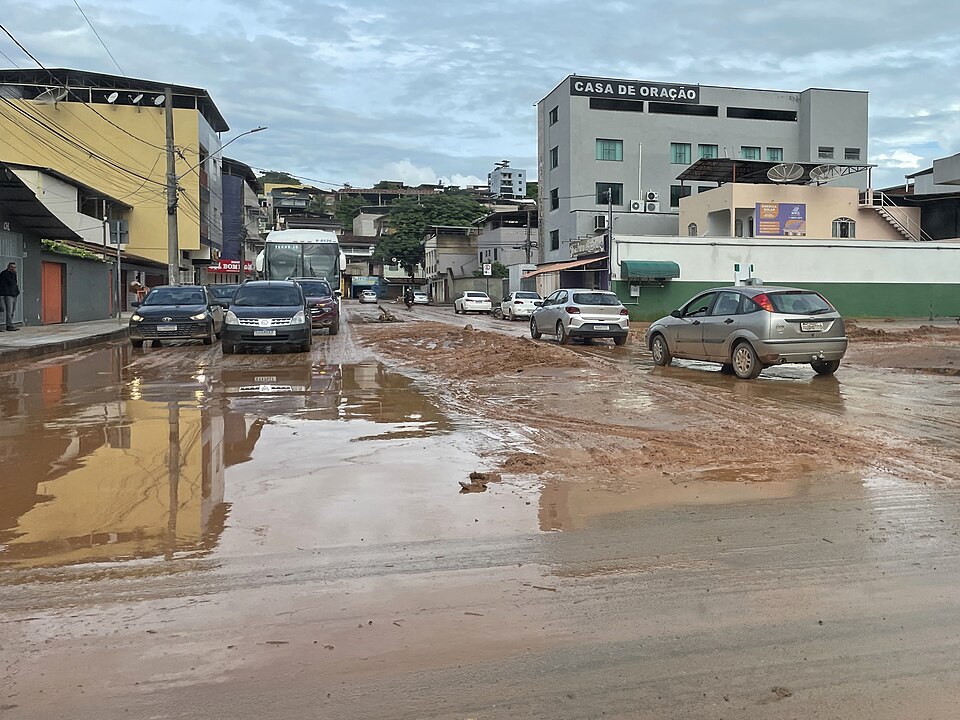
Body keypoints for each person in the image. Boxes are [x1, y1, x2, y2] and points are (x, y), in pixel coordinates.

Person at [0, 261, 20, 331]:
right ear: (8, 267)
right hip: (7, 294)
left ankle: (9, 324)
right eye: (12, 267)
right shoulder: (4, 274)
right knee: (9, 310)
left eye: (14, 267)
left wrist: (17, 291)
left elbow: (15, 283)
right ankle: (9, 325)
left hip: (14, 294)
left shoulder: (14, 274)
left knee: (12, 310)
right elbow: (9, 282)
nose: (13, 269)